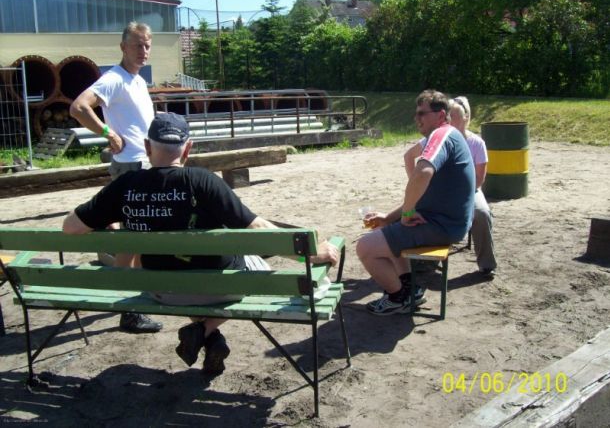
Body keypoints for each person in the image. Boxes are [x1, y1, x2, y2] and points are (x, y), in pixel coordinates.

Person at [62, 112, 340, 375]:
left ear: (147, 147)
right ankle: (205, 330)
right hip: (220, 289)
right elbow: (258, 229)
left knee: (187, 275)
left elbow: (70, 227)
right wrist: (311, 253)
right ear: (188, 148)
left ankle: (208, 336)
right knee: (255, 269)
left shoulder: (125, 185)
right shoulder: (203, 181)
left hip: (161, 290)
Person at [69, 22, 159, 333]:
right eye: (137, 45)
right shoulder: (114, 79)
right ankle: (129, 310)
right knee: (131, 243)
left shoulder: (137, 81)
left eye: (147, 45)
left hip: (141, 165)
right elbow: (78, 107)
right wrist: (107, 132)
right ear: (123, 47)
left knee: (137, 241)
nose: (143, 51)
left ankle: (136, 301)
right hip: (131, 168)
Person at [356, 90, 475, 315]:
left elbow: (422, 173)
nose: (416, 118)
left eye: (422, 113)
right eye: (416, 113)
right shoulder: (447, 135)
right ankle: (410, 289)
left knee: (365, 247)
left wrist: (408, 212)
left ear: (441, 116)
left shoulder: (441, 135)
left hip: (444, 225)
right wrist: (389, 217)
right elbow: (424, 193)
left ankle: (398, 298)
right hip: (445, 221)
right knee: (385, 229)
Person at [404, 96, 497, 276]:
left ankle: (486, 263)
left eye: (454, 116)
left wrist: (456, 194)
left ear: (465, 118)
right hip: (440, 192)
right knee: (417, 209)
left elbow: (479, 179)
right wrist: (415, 182)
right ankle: (424, 260)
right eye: (448, 115)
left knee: (482, 213)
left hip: (469, 191)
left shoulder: (476, 143)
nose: (449, 120)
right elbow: (409, 156)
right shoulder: (437, 138)